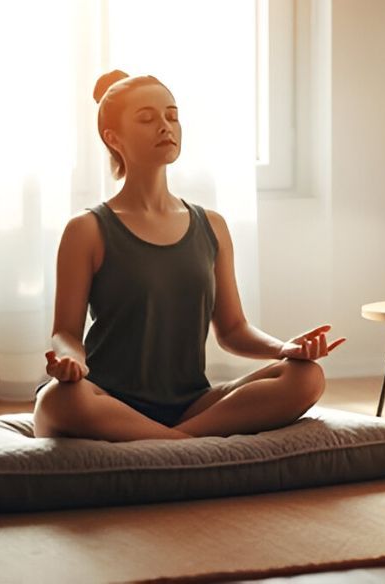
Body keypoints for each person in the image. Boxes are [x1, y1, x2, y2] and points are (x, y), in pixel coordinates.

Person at [32, 70, 346, 441]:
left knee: (306, 376)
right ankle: (188, 445)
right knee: (57, 401)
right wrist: (72, 362)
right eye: (147, 119)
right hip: (106, 398)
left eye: (172, 115)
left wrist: (284, 348)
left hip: (189, 403)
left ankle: (170, 441)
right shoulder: (86, 229)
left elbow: (232, 330)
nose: (165, 126)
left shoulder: (211, 225)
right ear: (112, 138)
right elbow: (65, 332)